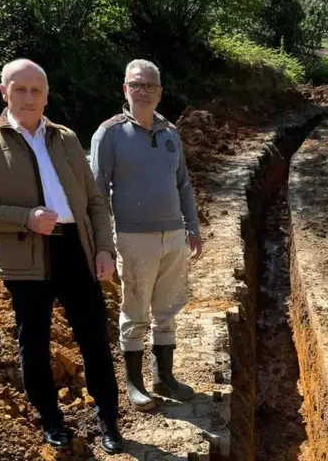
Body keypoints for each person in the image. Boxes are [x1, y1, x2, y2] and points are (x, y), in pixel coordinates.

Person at [0, 59, 124, 453]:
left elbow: (95, 202)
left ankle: (109, 420)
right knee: (33, 344)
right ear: (4, 92)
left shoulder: (65, 138)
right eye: (20, 89)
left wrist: (104, 248)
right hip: (25, 257)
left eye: (36, 90)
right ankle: (51, 420)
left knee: (95, 340)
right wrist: (26, 218)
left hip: (76, 250)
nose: (28, 97)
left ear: (47, 95)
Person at [90, 59, 202, 411]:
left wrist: (192, 226)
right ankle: (135, 384)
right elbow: (96, 192)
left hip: (173, 236)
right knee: (135, 311)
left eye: (149, 85)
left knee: (167, 309)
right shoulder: (109, 134)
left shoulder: (170, 133)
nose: (142, 91)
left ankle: (164, 377)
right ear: (125, 89)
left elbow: (182, 183)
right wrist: (103, 243)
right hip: (133, 238)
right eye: (135, 85)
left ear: (159, 92)